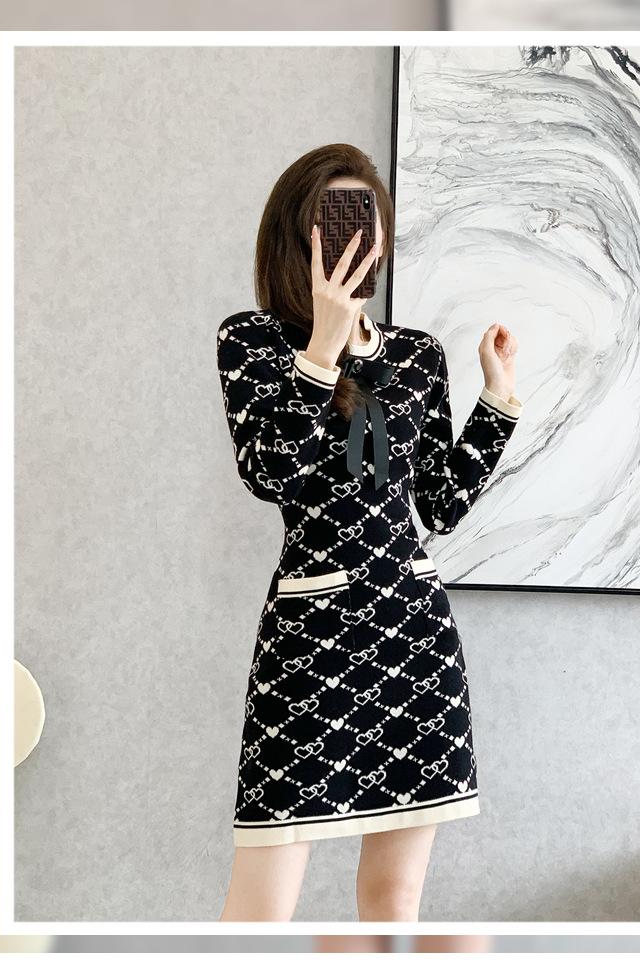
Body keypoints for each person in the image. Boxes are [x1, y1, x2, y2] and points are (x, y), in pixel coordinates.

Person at [215, 144, 523, 922]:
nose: (353, 235)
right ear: (296, 233)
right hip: (311, 637)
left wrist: (497, 400)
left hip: (413, 636)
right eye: (333, 218)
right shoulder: (249, 342)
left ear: (382, 237)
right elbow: (271, 473)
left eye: (365, 218)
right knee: (259, 910)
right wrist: (321, 347)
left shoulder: (416, 356)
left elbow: (441, 506)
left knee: (395, 898)